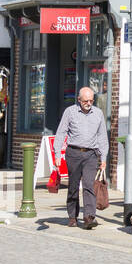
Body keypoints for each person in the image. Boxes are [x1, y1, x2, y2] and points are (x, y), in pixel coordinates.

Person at [57, 87, 107, 230]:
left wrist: (103, 158)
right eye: (86, 100)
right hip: (73, 152)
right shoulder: (70, 112)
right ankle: (72, 216)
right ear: (79, 100)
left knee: (88, 185)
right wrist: (56, 155)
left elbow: (102, 136)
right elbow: (61, 132)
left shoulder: (98, 114)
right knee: (73, 186)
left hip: (91, 154)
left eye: (91, 100)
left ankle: (89, 217)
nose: (89, 103)